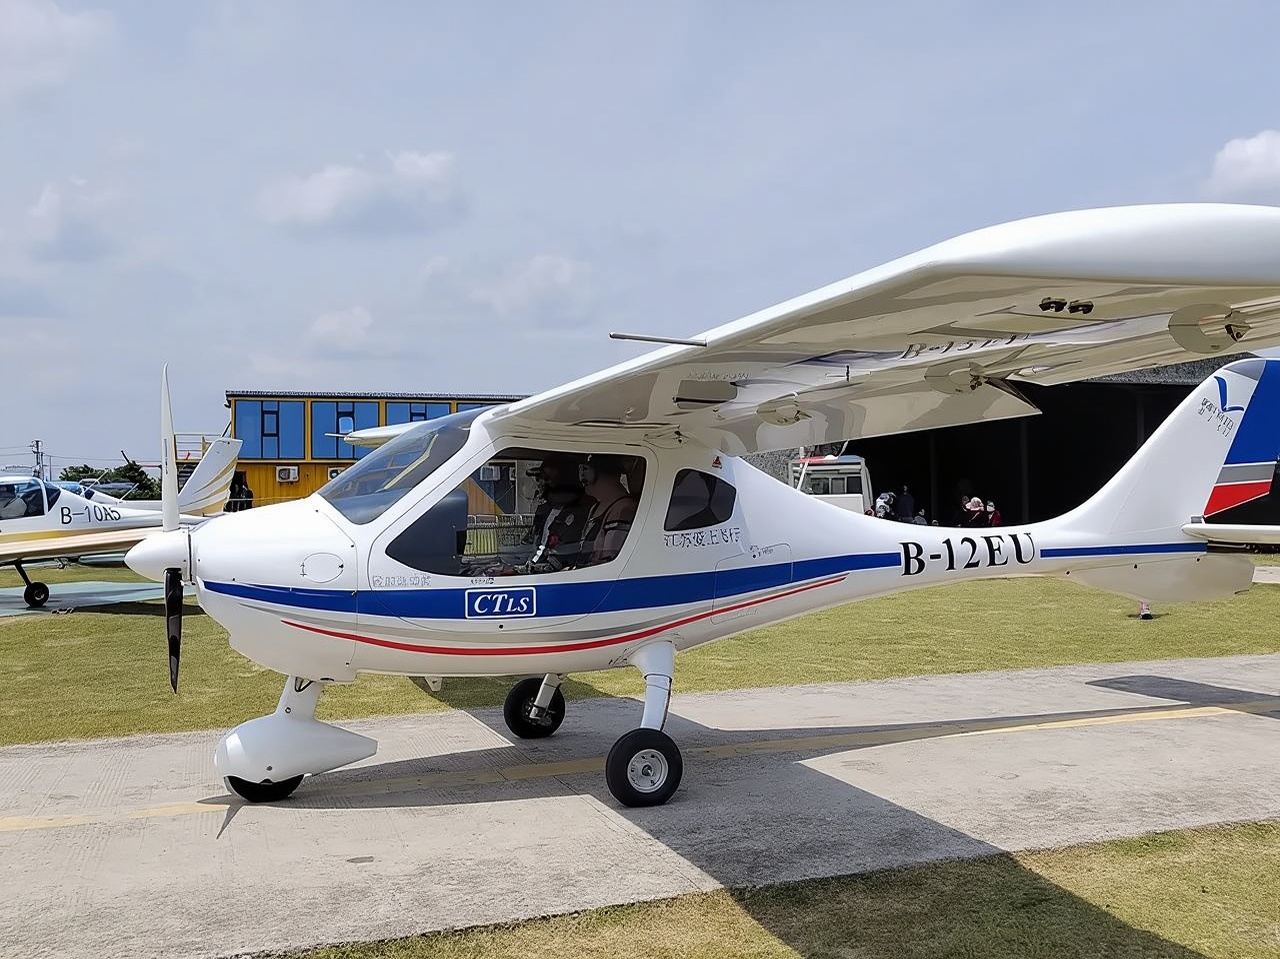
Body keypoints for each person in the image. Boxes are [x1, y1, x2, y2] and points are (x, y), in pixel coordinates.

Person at [519, 453, 594, 572]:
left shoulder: (581, 512)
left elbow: (564, 555)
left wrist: (534, 569)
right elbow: (533, 545)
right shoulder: (543, 510)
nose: (540, 484)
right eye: (539, 479)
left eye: (547, 479)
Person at [580, 454, 639, 566]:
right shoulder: (595, 507)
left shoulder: (623, 509)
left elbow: (610, 559)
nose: (582, 477)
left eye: (586, 469)